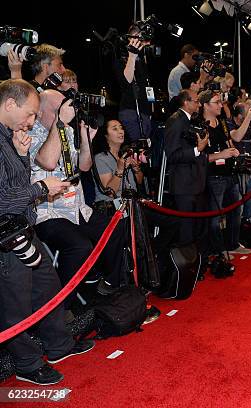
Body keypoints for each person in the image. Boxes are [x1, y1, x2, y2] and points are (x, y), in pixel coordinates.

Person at [0, 79, 93, 386]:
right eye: (29, 113)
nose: (31, 121)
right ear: (10, 104)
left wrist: (23, 155)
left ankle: (59, 346)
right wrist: (41, 188)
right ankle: (27, 364)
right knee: (15, 303)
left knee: (48, 286)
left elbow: (14, 183)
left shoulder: (10, 136)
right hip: (6, 236)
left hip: (23, 227)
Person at [28, 90, 128, 297]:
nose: (64, 114)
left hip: (77, 208)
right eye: (57, 110)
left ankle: (108, 284)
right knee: (80, 247)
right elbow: (46, 162)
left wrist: (86, 140)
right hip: (49, 213)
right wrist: (60, 123)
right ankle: (63, 303)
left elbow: (83, 166)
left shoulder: (67, 131)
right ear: (39, 112)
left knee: (115, 229)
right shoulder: (29, 133)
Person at [199, 90, 249, 259]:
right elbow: (199, 156)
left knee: (236, 210)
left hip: (229, 173)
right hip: (213, 176)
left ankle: (232, 244)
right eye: (217, 102)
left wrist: (231, 151)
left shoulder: (222, 122)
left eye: (221, 102)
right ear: (206, 105)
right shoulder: (200, 125)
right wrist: (221, 155)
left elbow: (232, 139)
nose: (221, 105)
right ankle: (217, 250)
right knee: (214, 216)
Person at [163, 89, 208, 247]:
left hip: (195, 183)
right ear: (186, 102)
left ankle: (195, 265)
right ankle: (185, 268)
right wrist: (198, 149)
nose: (199, 104)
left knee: (196, 230)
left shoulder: (189, 120)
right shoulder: (176, 121)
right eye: (196, 101)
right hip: (184, 185)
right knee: (186, 231)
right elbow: (173, 155)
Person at [92, 120, 144, 209]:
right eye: (115, 129)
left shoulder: (124, 154)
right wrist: (119, 170)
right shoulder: (100, 158)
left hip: (131, 206)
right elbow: (110, 193)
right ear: (105, 135)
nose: (120, 131)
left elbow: (139, 181)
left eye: (121, 128)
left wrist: (136, 169)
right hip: (111, 209)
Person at [113, 26, 152, 142]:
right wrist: (132, 55)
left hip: (145, 112)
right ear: (131, 39)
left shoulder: (142, 61)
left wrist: (150, 110)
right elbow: (127, 81)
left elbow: (147, 87)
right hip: (131, 112)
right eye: (142, 39)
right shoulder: (122, 60)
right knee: (136, 148)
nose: (145, 43)